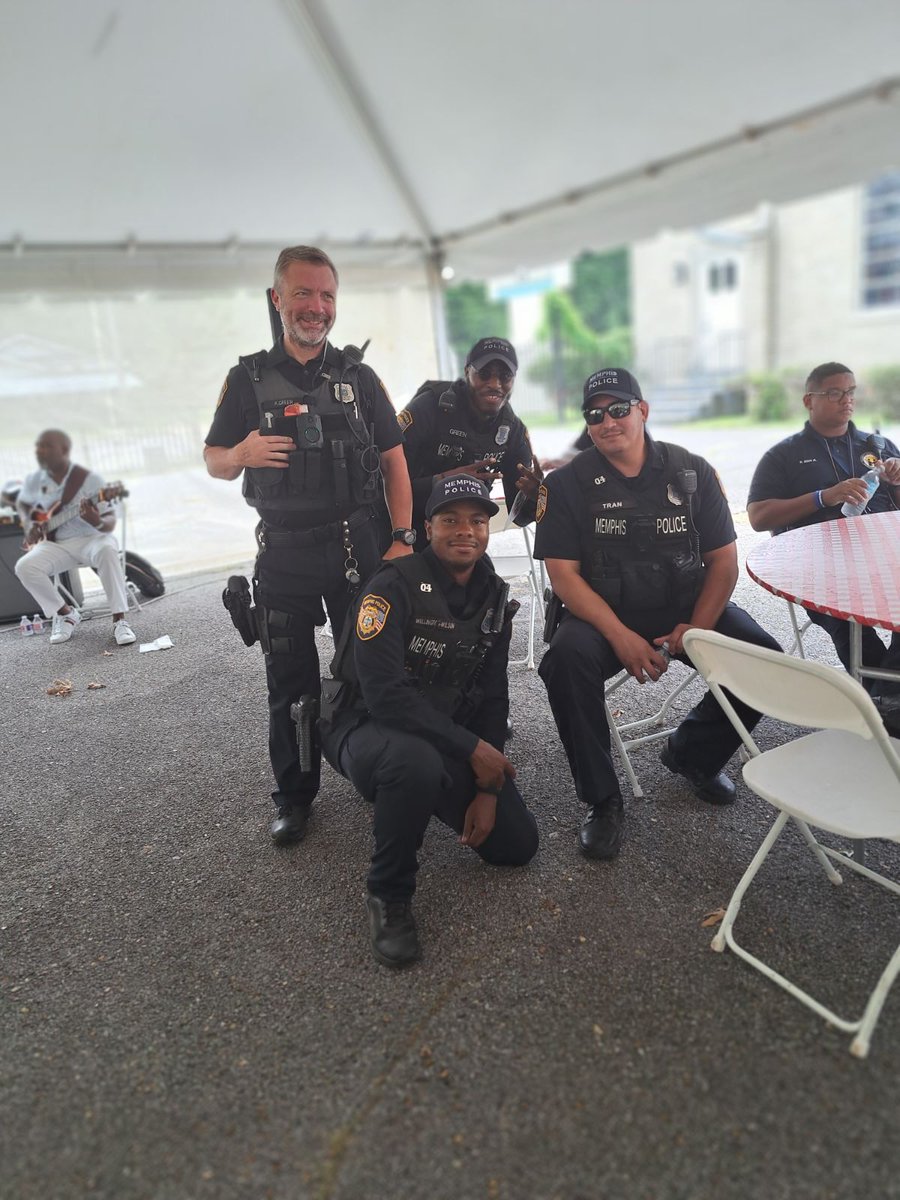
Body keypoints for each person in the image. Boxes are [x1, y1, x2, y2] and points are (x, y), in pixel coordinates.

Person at [204, 245, 414, 846]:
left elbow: (396, 464)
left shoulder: (361, 378)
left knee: (375, 670)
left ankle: (383, 775)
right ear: (278, 299)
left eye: (326, 296)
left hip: (358, 548)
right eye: (303, 293)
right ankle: (295, 796)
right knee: (289, 682)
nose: (316, 307)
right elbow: (214, 458)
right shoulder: (245, 379)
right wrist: (240, 454)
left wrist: (402, 538)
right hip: (285, 556)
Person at [534, 367, 781, 861]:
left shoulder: (689, 471)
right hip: (601, 611)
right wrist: (621, 637)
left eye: (618, 409)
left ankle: (692, 756)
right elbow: (564, 576)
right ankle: (603, 800)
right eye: (594, 414)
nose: (607, 421)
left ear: (643, 410)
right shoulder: (566, 485)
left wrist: (699, 627)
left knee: (765, 663)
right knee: (564, 664)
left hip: (684, 604)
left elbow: (723, 561)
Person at [319, 474, 539, 967]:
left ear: (489, 529)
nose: (466, 531)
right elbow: (384, 697)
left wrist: (487, 785)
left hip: (436, 728)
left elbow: (492, 695)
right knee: (413, 762)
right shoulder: (389, 587)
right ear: (427, 527)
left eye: (477, 521)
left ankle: (415, 789)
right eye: (450, 520)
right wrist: (472, 750)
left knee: (516, 845)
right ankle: (388, 895)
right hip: (360, 724)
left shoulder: (494, 595)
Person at [747, 361, 900, 696]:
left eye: (850, 391)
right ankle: (884, 706)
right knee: (852, 630)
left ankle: (885, 701)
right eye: (834, 392)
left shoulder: (879, 446)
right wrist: (822, 497)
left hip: (887, 559)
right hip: (821, 569)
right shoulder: (783, 456)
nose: (846, 399)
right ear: (809, 400)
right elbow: (758, 517)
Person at [396, 337, 542, 548]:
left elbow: (518, 517)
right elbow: (382, 484)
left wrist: (536, 498)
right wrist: (442, 481)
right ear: (467, 372)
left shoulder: (514, 432)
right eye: (484, 374)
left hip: (465, 541)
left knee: (488, 580)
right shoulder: (429, 407)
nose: (495, 385)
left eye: (505, 376)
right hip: (407, 532)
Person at [14, 430, 136, 646]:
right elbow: (23, 504)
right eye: (38, 447)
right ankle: (65, 613)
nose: (39, 451)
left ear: (64, 450)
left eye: (46, 446)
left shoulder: (89, 480)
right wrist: (30, 523)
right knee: (24, 566)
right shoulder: (35, 479)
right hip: (57, 543)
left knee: (107, 551)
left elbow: (109, 523)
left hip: (94, 538)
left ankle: (120, 620)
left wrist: (94, 520)